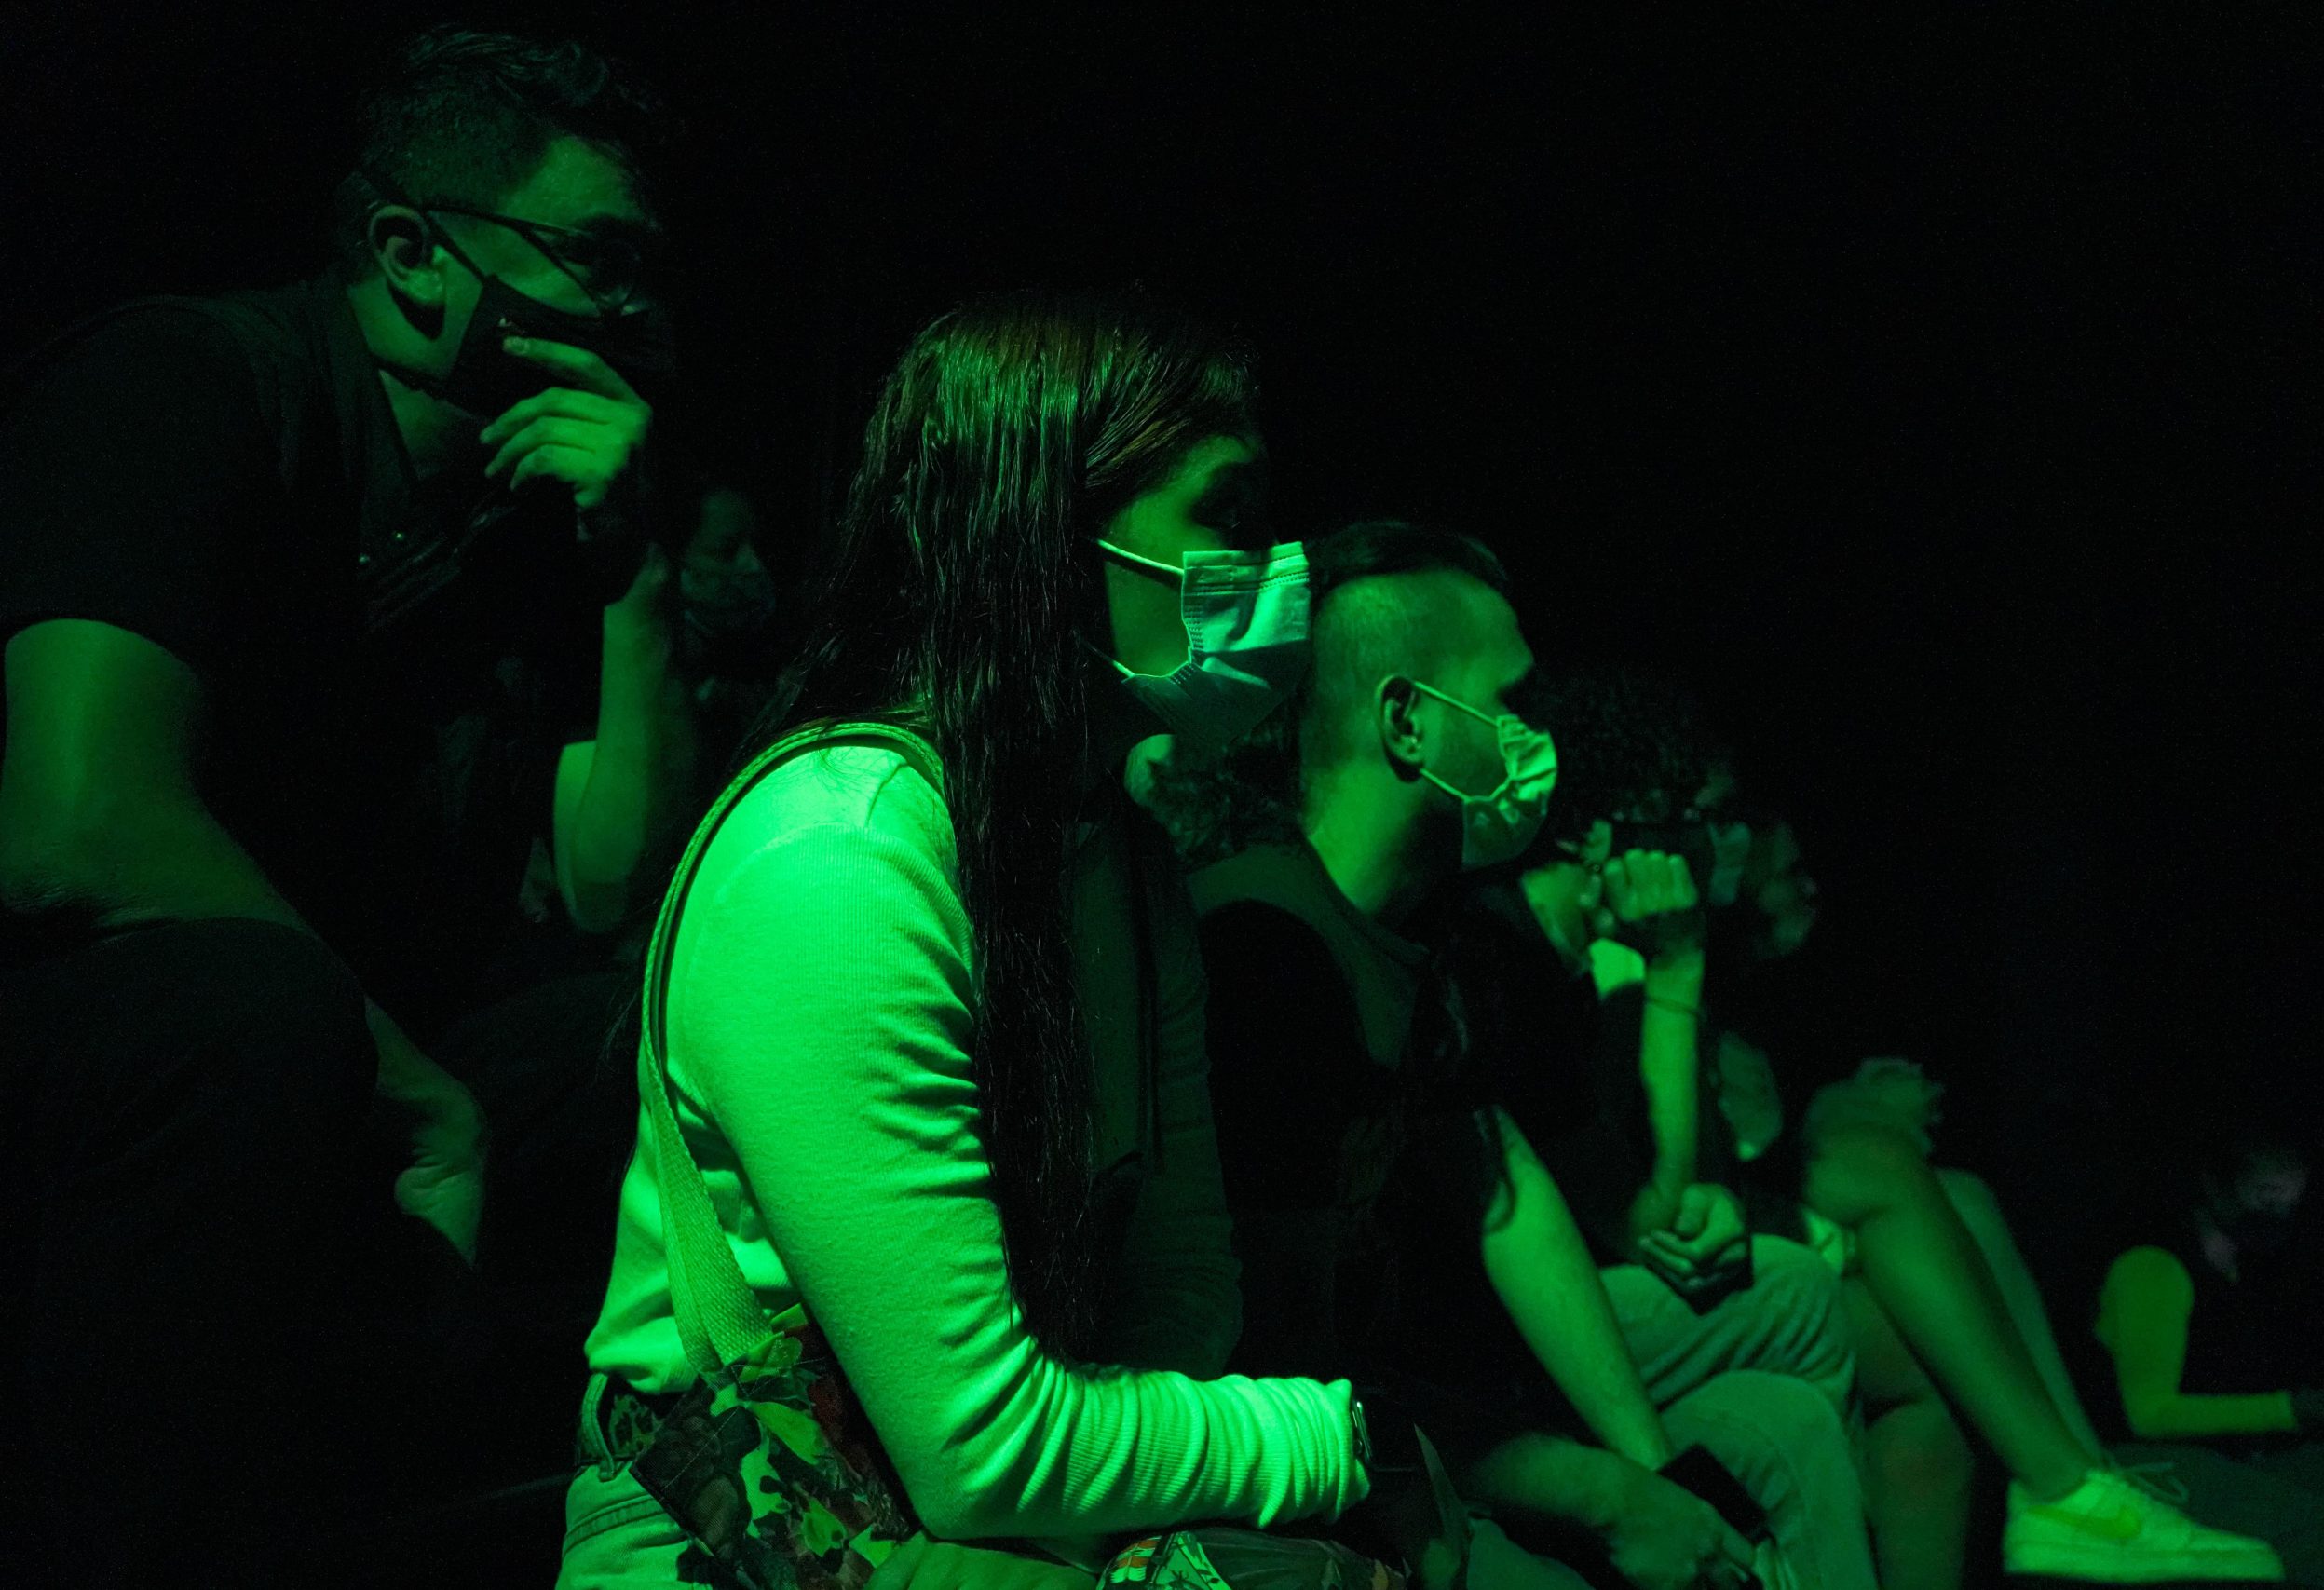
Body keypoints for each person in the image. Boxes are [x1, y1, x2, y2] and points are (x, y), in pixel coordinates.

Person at [559, 292, 1407, 1589]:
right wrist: (1343, 1440)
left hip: (982, 1516)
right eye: (1227, 514)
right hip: (750, 1534)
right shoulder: (840, 858)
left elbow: (1180, 1290)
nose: (1275, 567)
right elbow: (983, 1445)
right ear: (1046, 529)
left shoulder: (1123, 864)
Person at [0, 26, 687, 1583]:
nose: (631, 310)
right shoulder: (185, 382)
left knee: (652, 1031)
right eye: (596, 259)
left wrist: (635, 577)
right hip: (104, 1031)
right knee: (259, 1015)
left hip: (342, 1041)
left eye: (647, 270)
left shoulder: (519, 527)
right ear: (411, 254)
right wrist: (422, 1097)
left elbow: (612, 889)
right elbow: (73, 828)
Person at [1188, 522, 1874, 1590]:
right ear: (1407, 721)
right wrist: (1607, 1496)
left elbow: (1505, 1200)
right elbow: (1292, 1356)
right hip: (1316, 1449)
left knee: (1782, 1426)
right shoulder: (1271, 947)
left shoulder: (1412, 932)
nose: (1534, 739)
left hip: (1420, 1403)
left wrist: (1660, 1474)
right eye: (1508, 703)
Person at [1502, 664, 2286, 1587]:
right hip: (1526, 1339)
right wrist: (1677, 973)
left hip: (1644, 1259)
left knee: (1932, 1239)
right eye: (1698, 819)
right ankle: (2069, 1488)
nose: (1723, 843)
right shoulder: (1554, 961)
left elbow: (1662, 1195)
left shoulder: (1625, 966)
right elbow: (1648, 1213)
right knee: (1853, 1221)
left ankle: (2079, 1486)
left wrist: (1682, 988)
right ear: (1604, 831)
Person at [2088, 1118, 2324, 1587]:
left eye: (2291, 1199)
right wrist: (2289, 1412)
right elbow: (2148, 1414)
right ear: (2214, 1185)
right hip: (2151, 1466)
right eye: (2266, 1195)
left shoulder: (2254, 1271)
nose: (2279, 1211)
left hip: (2238, 1460)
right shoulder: (2155, 1268)